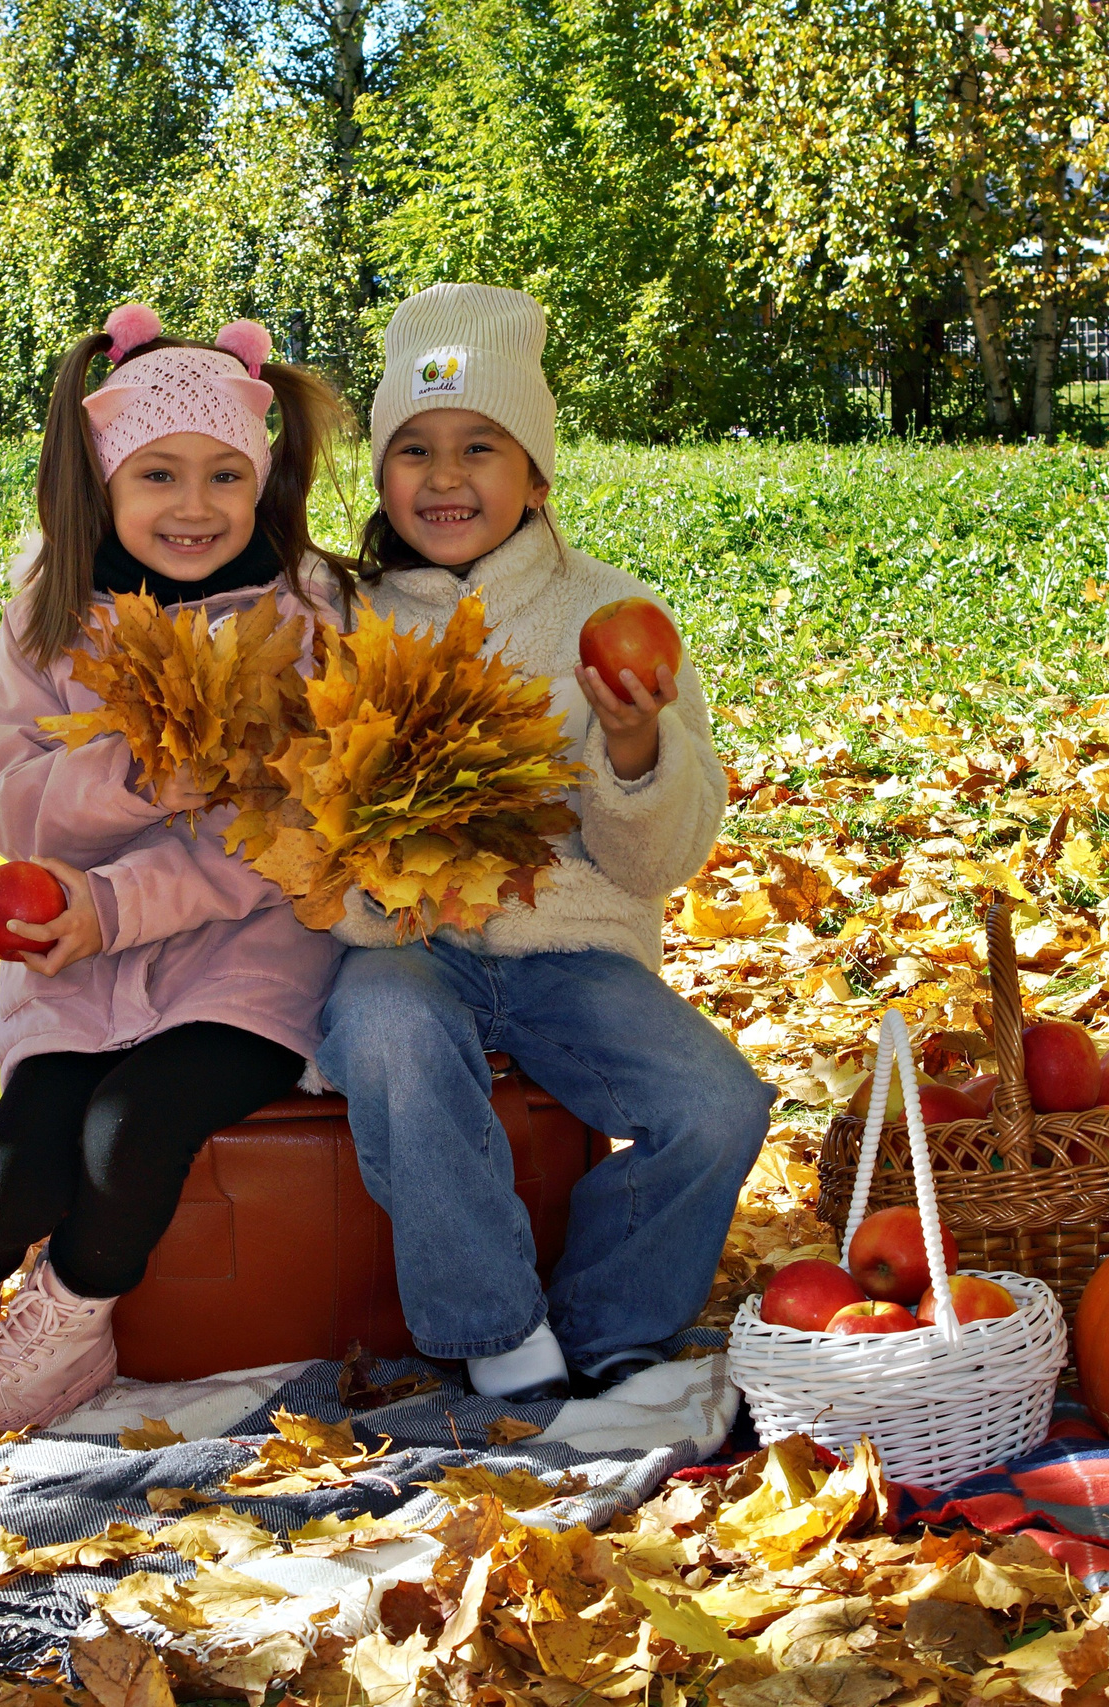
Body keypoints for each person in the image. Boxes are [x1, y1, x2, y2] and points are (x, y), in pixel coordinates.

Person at [0, 305, 352, 1441]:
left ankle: (70, 1327)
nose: (194, 507)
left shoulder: (306, 616)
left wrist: (124, 900)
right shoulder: (47, 615)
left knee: (130, 1128)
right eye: (159, 474)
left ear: (265, 478)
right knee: (13, 1173)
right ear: (102, 481)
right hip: (75, 965)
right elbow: (7, 803)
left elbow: (293, 836)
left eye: (225, 475)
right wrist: (135, 783)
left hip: (243, 960)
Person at [316, 283, 776, 1402]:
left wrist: (631, 751)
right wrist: (378, 887)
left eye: (482, 444)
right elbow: (304, 825)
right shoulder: (340, 616)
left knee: (718, 1105)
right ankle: (495, 1331)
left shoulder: (609, 612)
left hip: (574, 949)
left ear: (537, 469)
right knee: (388, 1036)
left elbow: (656, 862)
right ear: (378, 472)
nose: (444, 475)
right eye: (412, 448)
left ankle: (608, 1318)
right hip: (405, 945)